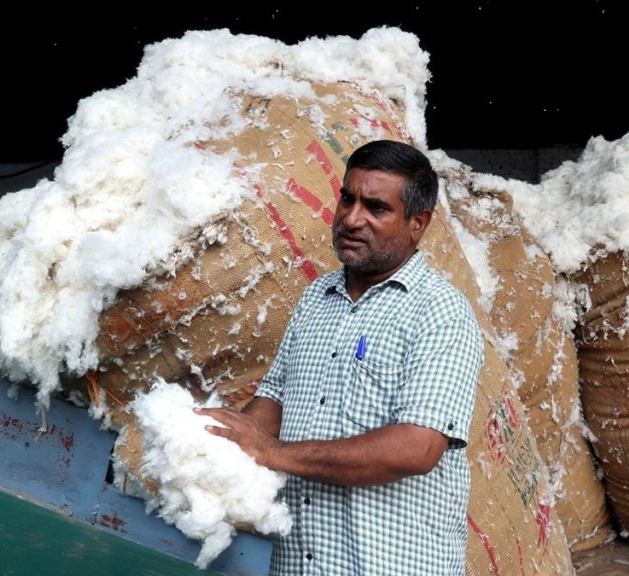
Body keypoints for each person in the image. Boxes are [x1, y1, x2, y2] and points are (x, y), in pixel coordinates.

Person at [197, 139, 484, 575]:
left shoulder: (440, 312)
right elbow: (275, 399)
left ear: (417, 223)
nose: (351, 219)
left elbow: (416, 448)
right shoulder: (318, 297)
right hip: (298, 565)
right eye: (347, 199)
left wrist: (272, 452)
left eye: (376, 208)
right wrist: (224, 437)